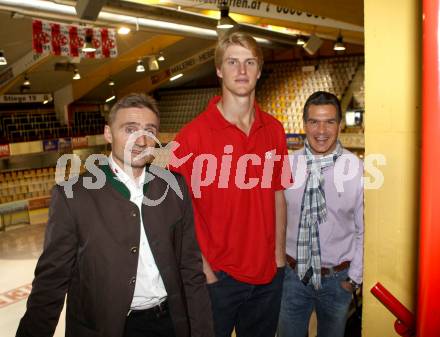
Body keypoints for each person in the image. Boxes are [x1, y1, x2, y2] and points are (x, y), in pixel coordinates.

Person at [16, 93, 214, 337]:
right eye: (130, 129)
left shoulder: (174, 187)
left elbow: (190, 270)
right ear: (108, 134)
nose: (141, 140)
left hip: (170, 324)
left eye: (149, 130)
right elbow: (50, 284)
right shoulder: (73, 196)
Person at [170, 31, 291, 337]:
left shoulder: (274, 130)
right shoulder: (191, 137)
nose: (241, 70)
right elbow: (176, 212)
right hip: (217, 279)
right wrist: (205, 269)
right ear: (219, 70)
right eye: (232, 62)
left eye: (249, 62)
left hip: (267, 276)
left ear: (259, 71)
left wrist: (278, 258)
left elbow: (278, 193)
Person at [277, 91, 364, 337]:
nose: (321, 130)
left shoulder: (357, 170)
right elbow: (274, 221)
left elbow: (363, 230)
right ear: (304, 124)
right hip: (293, 278)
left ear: (340, 124)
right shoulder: (287, 166)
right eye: (314, 121)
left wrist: (353, 279)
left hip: (337, 281)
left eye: (329, 121)